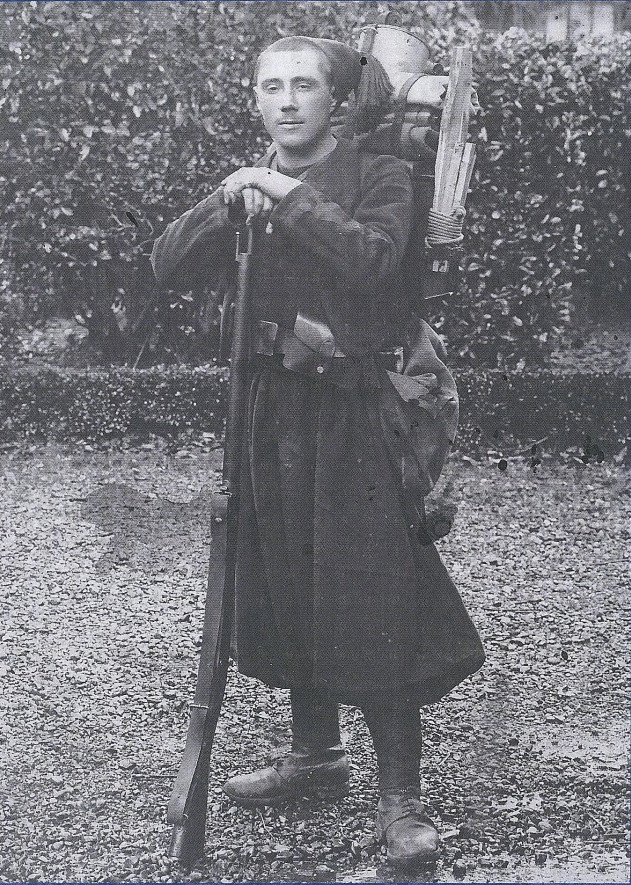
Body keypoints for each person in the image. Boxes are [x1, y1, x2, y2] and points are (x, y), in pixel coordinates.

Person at [151, 34, 485, 870]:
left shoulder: (381, 176)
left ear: (335, 100)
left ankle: (400, 801)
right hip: (268, 415)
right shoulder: (249, 179)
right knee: (284, 579)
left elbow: (374, 263)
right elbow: (165, 266)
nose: (288, 99)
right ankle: (316, 755)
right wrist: (227, 201)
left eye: (304, 85)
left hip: (354, 412)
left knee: (369, 590)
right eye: (272, 86)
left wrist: (284, 192)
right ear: (255, 99)